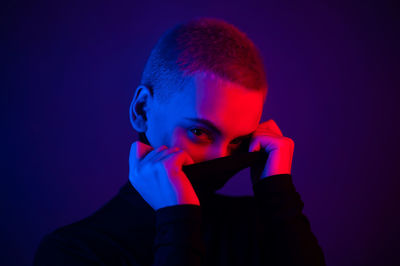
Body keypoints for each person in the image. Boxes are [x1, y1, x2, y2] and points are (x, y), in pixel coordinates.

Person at [33, 17, 326, 265]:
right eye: (199, 132)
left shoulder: (260, 228)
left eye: (237, 142)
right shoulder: (73, 252)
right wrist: (178, 221)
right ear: (142, 110)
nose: (219, 158)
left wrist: (278, 195)